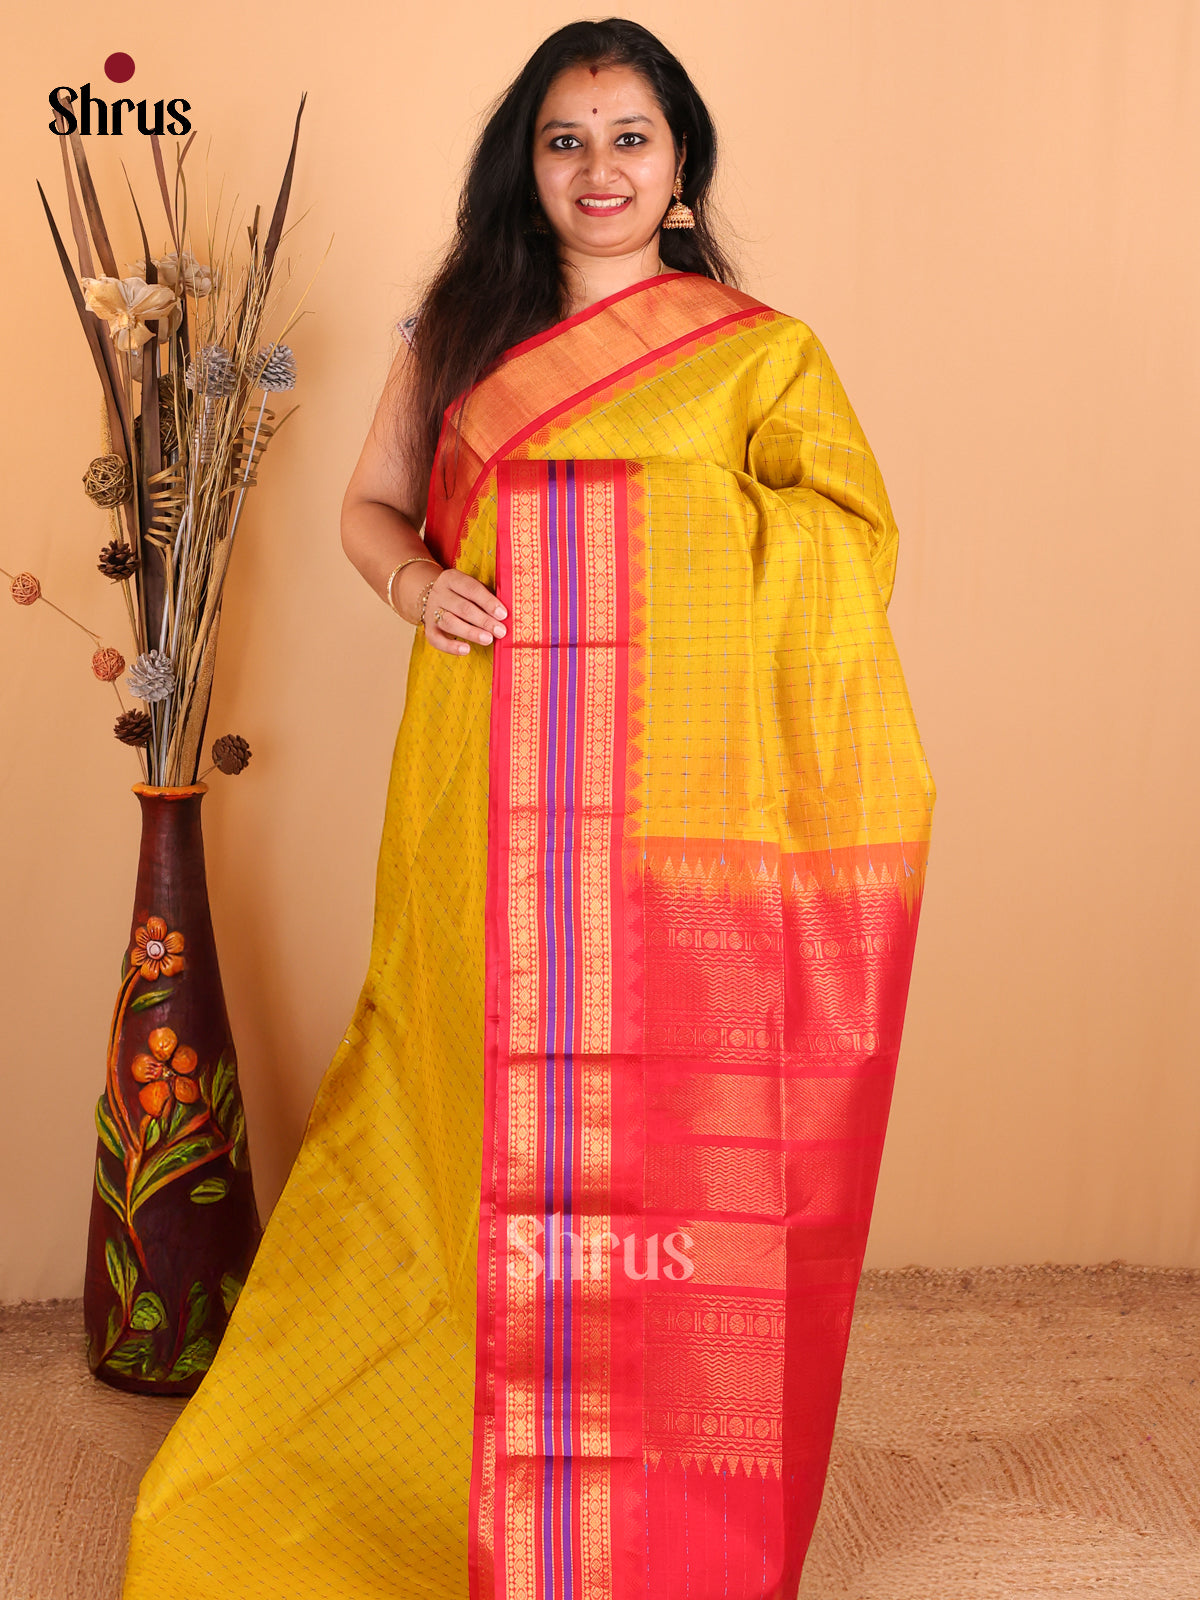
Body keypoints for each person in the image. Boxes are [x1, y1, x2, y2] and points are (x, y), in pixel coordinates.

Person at [121, 18, 935, 1599]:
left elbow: (851, 543)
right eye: (566, 140)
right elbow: (371, 509)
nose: (599, 170)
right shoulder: (461, 333)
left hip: (683, 817)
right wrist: (419, 584)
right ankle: (463, 1460)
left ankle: (661, 1507)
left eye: (631, 138)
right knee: (468, 1106)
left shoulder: (759, 354)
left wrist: (643, 528)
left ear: (682, 165)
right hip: (486, 791)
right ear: (527, 164)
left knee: (674, 1139)